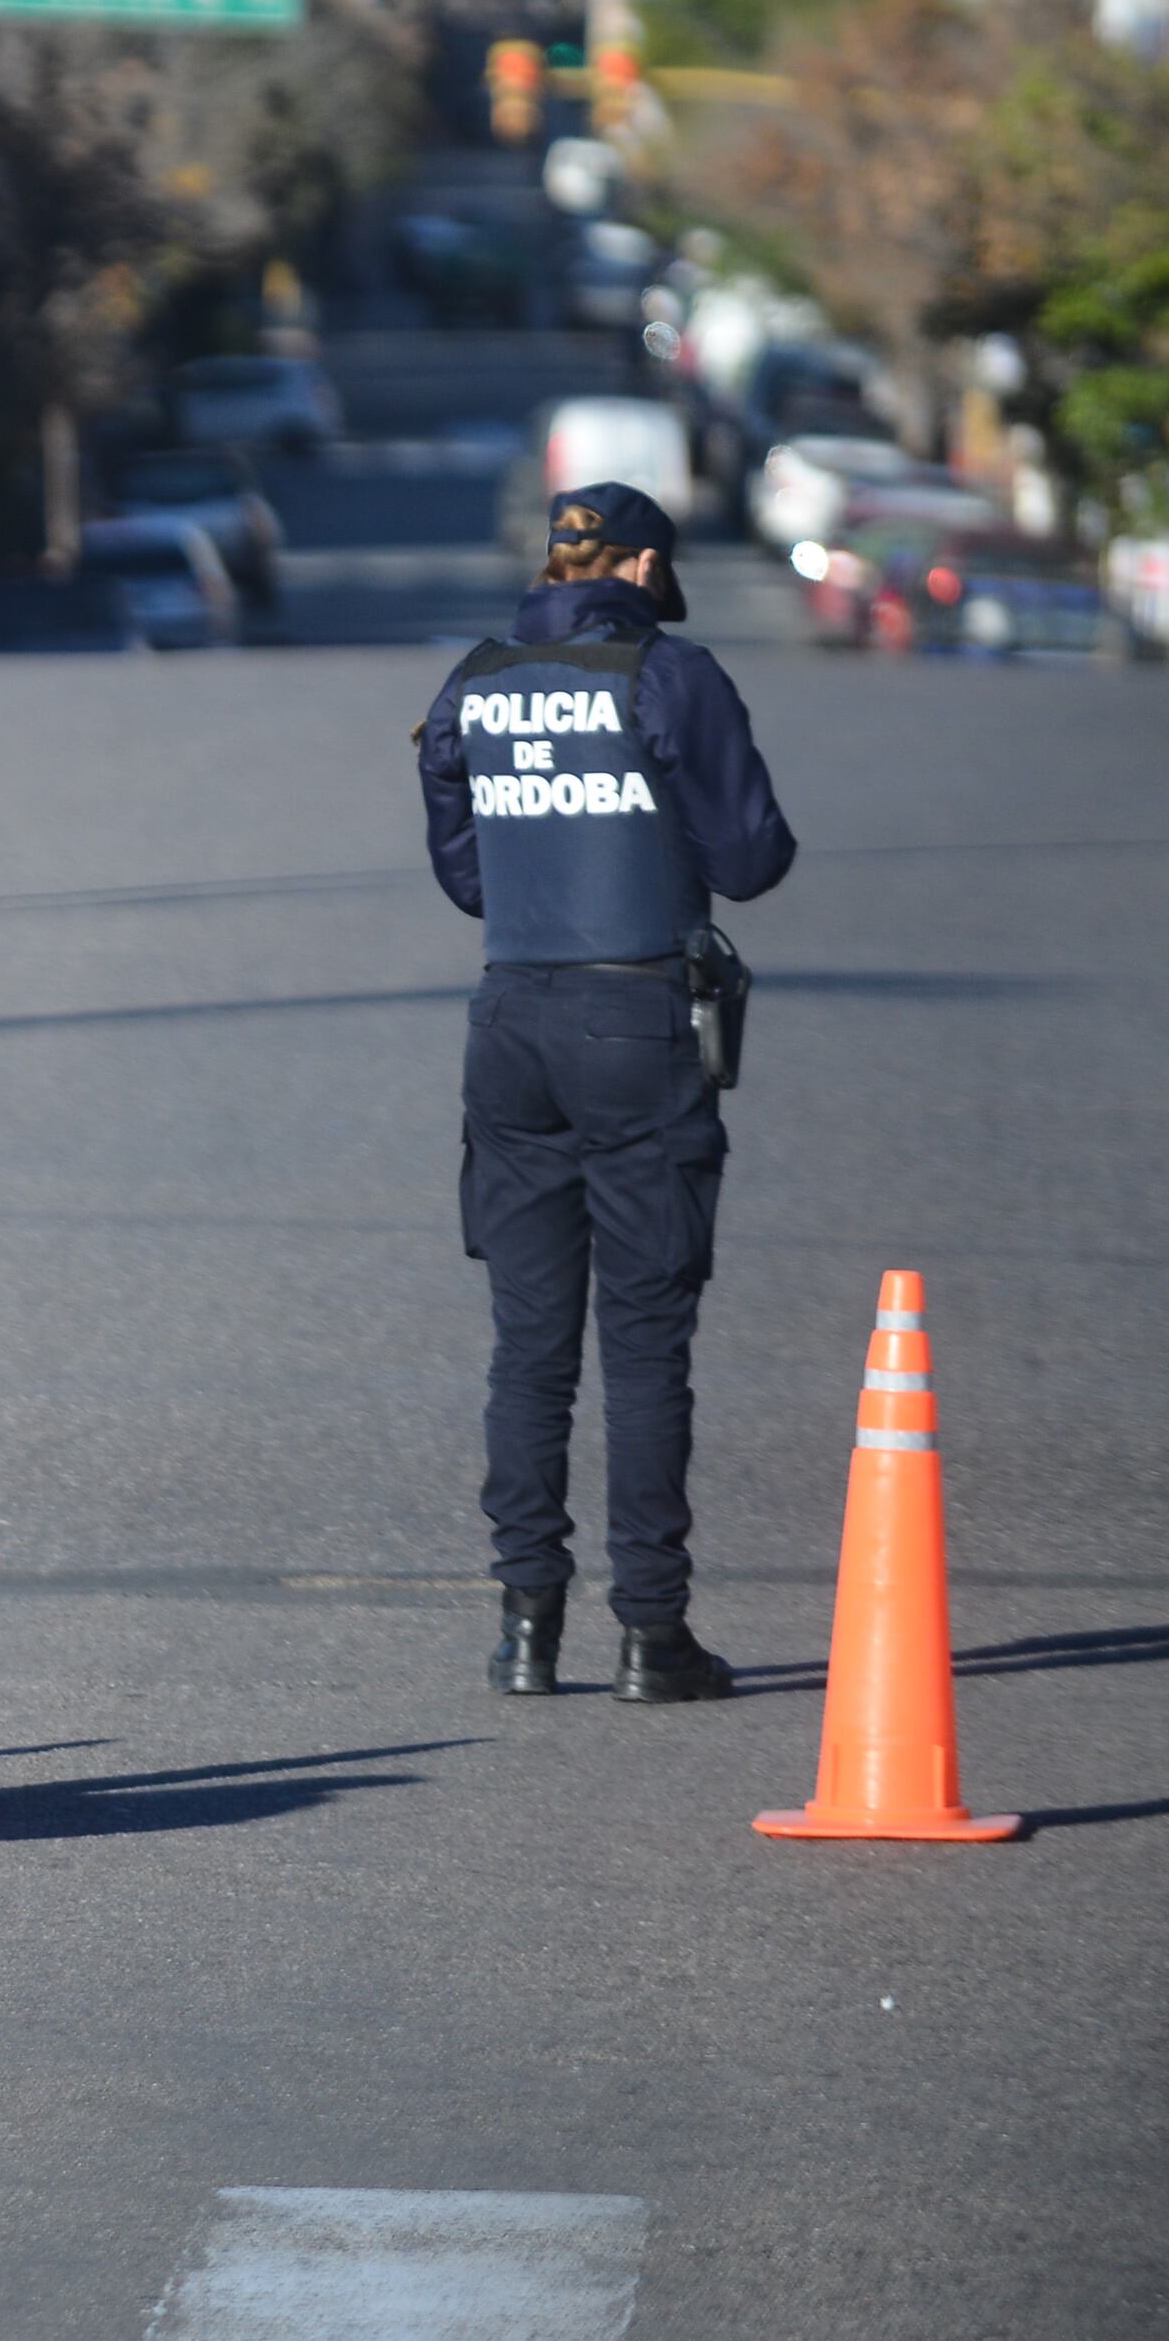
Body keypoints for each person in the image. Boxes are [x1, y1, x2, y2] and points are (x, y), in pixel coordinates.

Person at [413, 481, 796, 1705]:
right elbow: (750, 856)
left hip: (508, 1018)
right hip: (634, 1017)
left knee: (526, 1347)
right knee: (640, 1343)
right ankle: (650, 1632)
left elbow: (463, 874)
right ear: (638, 569)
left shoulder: (470, 680)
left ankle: (524, 1629)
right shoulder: (664, 673)